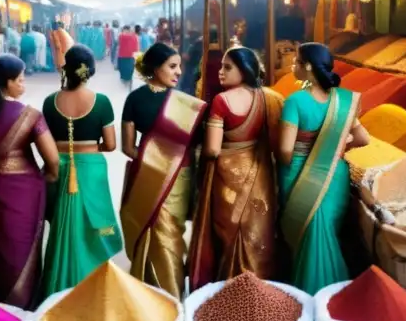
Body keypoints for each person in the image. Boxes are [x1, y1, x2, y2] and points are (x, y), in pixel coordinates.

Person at [0, 56, 59, 308]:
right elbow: (52, 160)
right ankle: (24, 308)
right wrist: (46, 178)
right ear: (5, 83)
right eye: (20, 79)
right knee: (22, 251)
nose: (24, 84)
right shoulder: (30, 116)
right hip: (24, 193)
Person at [278, 43, 369, 295]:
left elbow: (285, 151)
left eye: (296, 62)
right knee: (325, 232)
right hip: (334, 175)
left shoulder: (295, 101)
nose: (292, 65)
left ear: (307, 66)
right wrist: (337, 149)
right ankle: (337, 294)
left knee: (308, 236)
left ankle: (305, 294)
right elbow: (364, 139)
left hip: (298, 173)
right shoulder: (342, 101)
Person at [188, 47, 282, 289]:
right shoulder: (267, 98)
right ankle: (258, 291)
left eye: (227, 67)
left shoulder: (221, 101)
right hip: (259, 174)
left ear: (244, 69)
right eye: (221, 67)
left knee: (227, 236)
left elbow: (212, 149)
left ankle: (229, 292)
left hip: (226, 177)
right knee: (256, 235)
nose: (220, 72)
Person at [121, 44, 206, 298]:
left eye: (179, 66)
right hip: (176, 176)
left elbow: (128, 148)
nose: (179, 71)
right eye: (172, 66)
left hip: (150, 176)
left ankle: (151, 294)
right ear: (155, 68)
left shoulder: (140, 99)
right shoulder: (185, 103)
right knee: (169, 236)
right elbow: (198, 148)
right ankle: (172, 296)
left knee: (164, 234)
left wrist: (153, 165)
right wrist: (165, 166)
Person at [40, 45, 124, 294]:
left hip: (60, 167)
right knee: (97, 222)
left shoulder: (49, 102)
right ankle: (94, 278)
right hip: (90, 170)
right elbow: (110, 145)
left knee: (63, 225)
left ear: (66, 68)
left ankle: (61, 282)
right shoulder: (101, 102)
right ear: (91, 71)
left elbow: (46, 143)